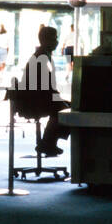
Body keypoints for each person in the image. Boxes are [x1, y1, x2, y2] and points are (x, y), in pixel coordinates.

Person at [22, 25, 70, 156]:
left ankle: (49, 141)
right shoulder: (42, 58)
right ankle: (48, 142)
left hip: (36, 97)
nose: (57, 41)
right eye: (55, 38)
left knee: (65, 106)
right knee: (66, 110)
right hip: (35, 100)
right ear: (46, 40)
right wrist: (60, 100)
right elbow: (46, 87)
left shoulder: (42, 55)